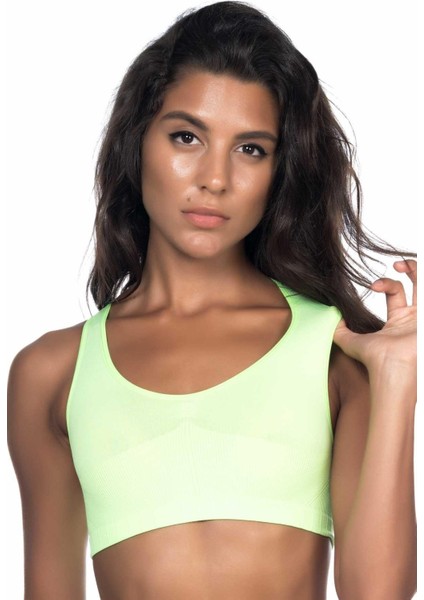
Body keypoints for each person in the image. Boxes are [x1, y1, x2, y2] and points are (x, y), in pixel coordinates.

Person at [7, 1, 417, 598]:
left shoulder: (336, 348)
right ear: (137, 142)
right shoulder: (52, 374)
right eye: (186, 137)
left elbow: (378, 592)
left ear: (280, 170)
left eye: (251, 149)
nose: (215, 178)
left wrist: (397, 378)